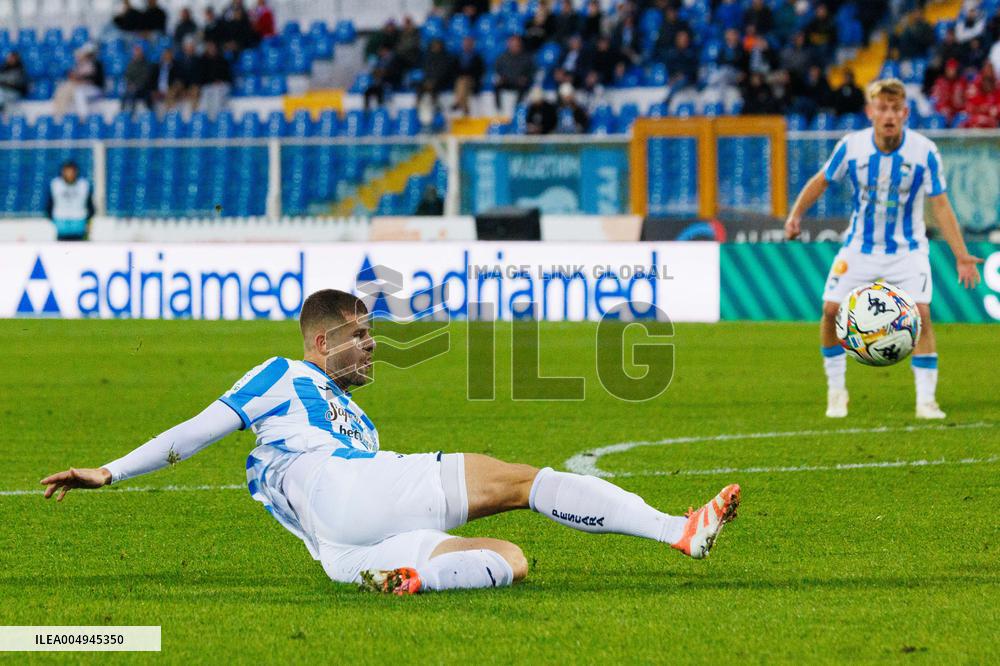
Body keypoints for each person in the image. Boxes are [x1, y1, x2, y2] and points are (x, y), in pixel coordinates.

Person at [40, 289, 741, 595]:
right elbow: (194, 432)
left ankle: (410, 579)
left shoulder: (358, 418)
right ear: (322, 341)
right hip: (343, 485)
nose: (371, 346)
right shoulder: (281, 374)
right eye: (359, 335)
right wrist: (110, 470)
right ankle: (678, 529)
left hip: (346, 550)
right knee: (522, 481)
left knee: (509, 560)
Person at [784, 78, 983, 419]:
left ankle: (926, 401)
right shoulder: (851, 146)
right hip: (859, 247)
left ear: (905, 113)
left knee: (921, 316)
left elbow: (941, 205)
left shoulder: (924, 151)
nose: (889, 115)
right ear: (870, 112)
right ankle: (836, 391)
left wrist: (961, 254)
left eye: (895, 109)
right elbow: (821, 180)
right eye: (882, 108)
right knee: (831, 311)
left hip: (907, 250)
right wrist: (795, 215)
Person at [52, 44, 105, 119]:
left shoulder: (97, 64)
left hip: (96, 89)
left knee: (79, 92)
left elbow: (93, 79)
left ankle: (83, 117)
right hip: (84, 87)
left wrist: (81, 78)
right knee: (65, 90)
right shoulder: (81, 64)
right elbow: (75, 76)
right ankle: (61, 115)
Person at [46, 161, 94, 241]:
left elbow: (90, 205)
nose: (70, 174)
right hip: (61, 224)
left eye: (72, 171)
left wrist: (87, 220)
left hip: (79, 224)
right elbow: (49, 204)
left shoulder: (83, 185)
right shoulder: (55, 185)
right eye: (67, 171)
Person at [493, 35, 535, 112]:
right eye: (513, 45)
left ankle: (517, 109)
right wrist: (501, 77)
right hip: (507, 81)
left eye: (516, 45)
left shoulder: (527, 57)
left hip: (519, 83)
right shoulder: (502, 57)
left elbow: (531, 71)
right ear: (509, 45)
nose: (515, 47)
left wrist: (525, 78)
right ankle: (499, 109)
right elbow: (497, 70)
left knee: (523, 87)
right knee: (497, 85)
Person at [198, 41, 232, 118]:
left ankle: (216, 119)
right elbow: (202, 77)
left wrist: (220, 81)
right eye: (209, 47)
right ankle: (206, 119)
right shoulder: (203, 61)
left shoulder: (222, 60)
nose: (211, 49)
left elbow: (228, 76)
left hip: (223, 85)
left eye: (212, 47)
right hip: (208, 85)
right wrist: (211, 82)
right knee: (205, 97)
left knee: (217, 94)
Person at [451, 36, 484, 115]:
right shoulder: (458, 57)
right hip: (461, 79)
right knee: (462, 81)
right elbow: (454, 70)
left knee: (463, 82)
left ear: (472, 45)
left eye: (469, 44)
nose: (467, 45)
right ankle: (465, 107)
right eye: (465, 43)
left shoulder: (477, 58)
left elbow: (479, 71)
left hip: (473, 80)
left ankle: (459, 102)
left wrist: (469, 76)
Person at [122, 44, 154, 114]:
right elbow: (127, 76)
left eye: (138, 51)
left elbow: (145, 78)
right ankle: (122, 113)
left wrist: (135, 85)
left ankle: (132, 113)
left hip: (142, 87)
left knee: (134, 93)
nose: (136, 53)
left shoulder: (146, 64)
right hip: (132, 87)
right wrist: (130, 84)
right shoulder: (131, 63)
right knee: (124, 94)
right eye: (135, 51)